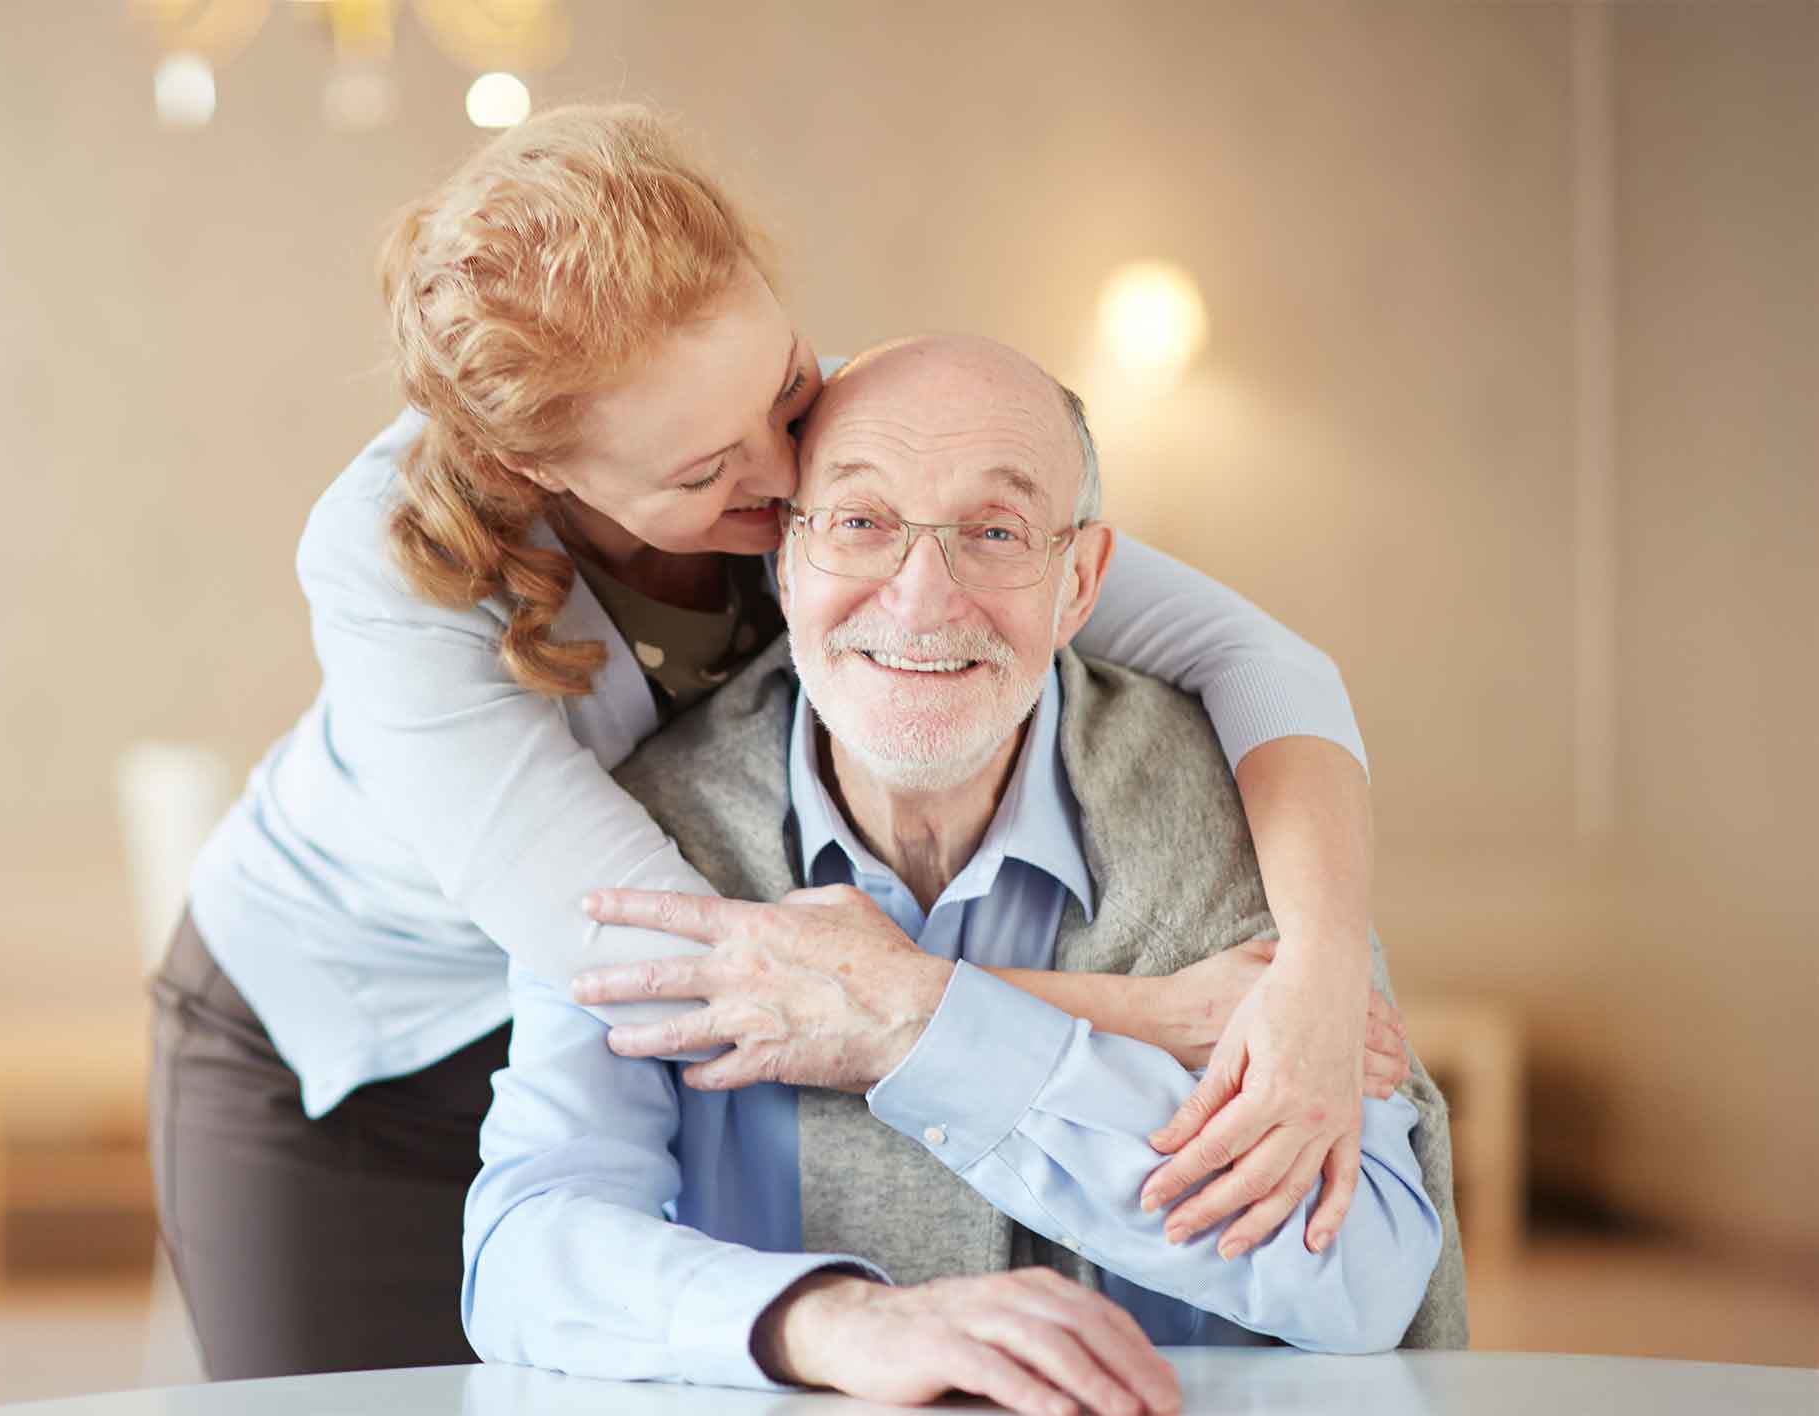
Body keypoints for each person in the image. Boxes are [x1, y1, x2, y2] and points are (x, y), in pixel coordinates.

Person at [154, 105, 1390, 1380]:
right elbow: (696, 978)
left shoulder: (829, 459)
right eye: (706, 473)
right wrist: (1158, 1018)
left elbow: (1261, 664)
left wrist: (1315, 973)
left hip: (622, 1026)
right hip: (345, 1050)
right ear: (540, 474)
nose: (787, 470)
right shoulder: (385, 567)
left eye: (788, 387)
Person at [462, 335, 1465, 1410]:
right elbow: (529, 1246)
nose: (921, 599)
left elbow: (1363, 1275)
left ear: (1079, 582)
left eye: (994, 531)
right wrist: (826, 1320)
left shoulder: (1242, 807)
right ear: (785, 562)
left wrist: (919, 1023)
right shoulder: (641, 829)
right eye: (860, 522)